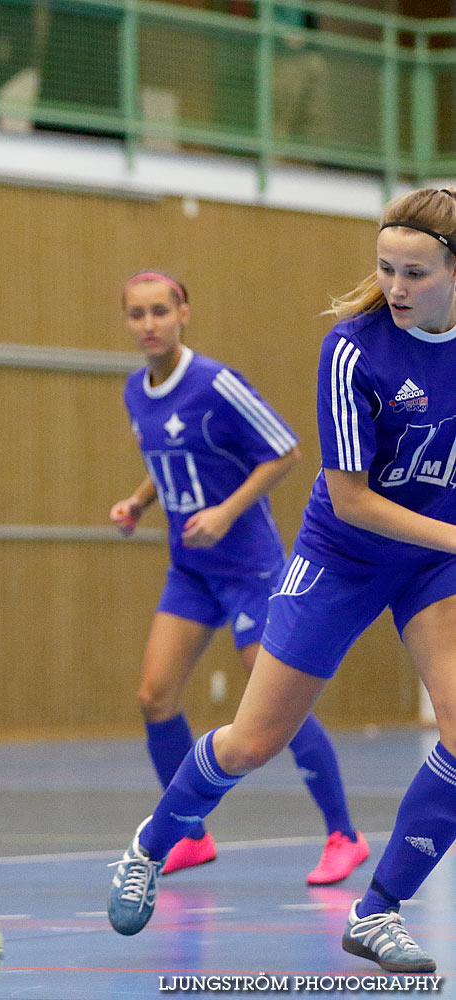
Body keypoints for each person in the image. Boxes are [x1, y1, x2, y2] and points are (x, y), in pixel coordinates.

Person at [106, 189, 456, 977]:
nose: (396, 288)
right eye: (386, 269)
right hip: (345, 554)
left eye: (416, 273)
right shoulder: (353, 350)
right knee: (253, 741)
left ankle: (379, 910)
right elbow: (351, 497)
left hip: (434, 561)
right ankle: (150, 846)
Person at [110, 271, 367, 884]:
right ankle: (189, 836)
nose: (148, 324)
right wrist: (140, 501)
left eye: (159, 312)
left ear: (183, 314)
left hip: (249, 566)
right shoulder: (133, 391)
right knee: (154, 696)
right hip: (190, 570)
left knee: (273, 700)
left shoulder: (216, 383)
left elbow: (285, 450)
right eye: (137, 314)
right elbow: (168, 460)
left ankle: (344, 834)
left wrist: (225, 514)